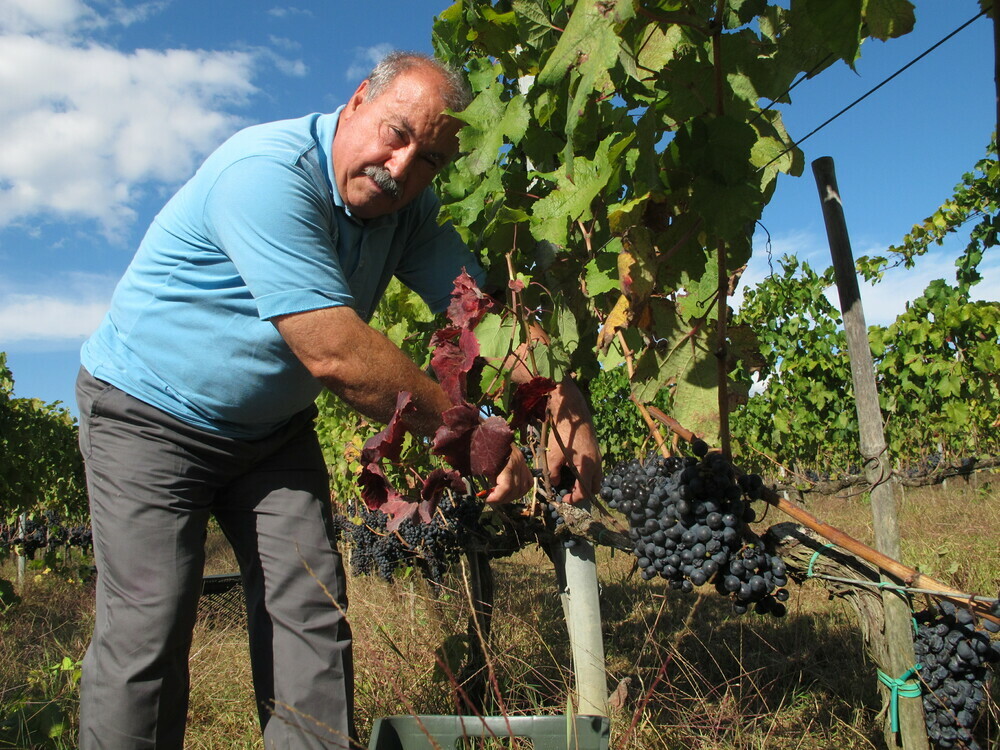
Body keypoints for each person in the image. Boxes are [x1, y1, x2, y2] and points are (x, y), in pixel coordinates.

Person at [75, 51, 601, 749]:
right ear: (357, 100)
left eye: (430, 161)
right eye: (397, 132)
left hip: (270, 434)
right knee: (149, 627)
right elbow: (334, 351)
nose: (402, 167)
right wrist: (471, 438)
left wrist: (562, 407)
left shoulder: (409, 211)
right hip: (147, 415)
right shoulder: (265, 174)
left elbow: (485, 314)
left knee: (311, 616)